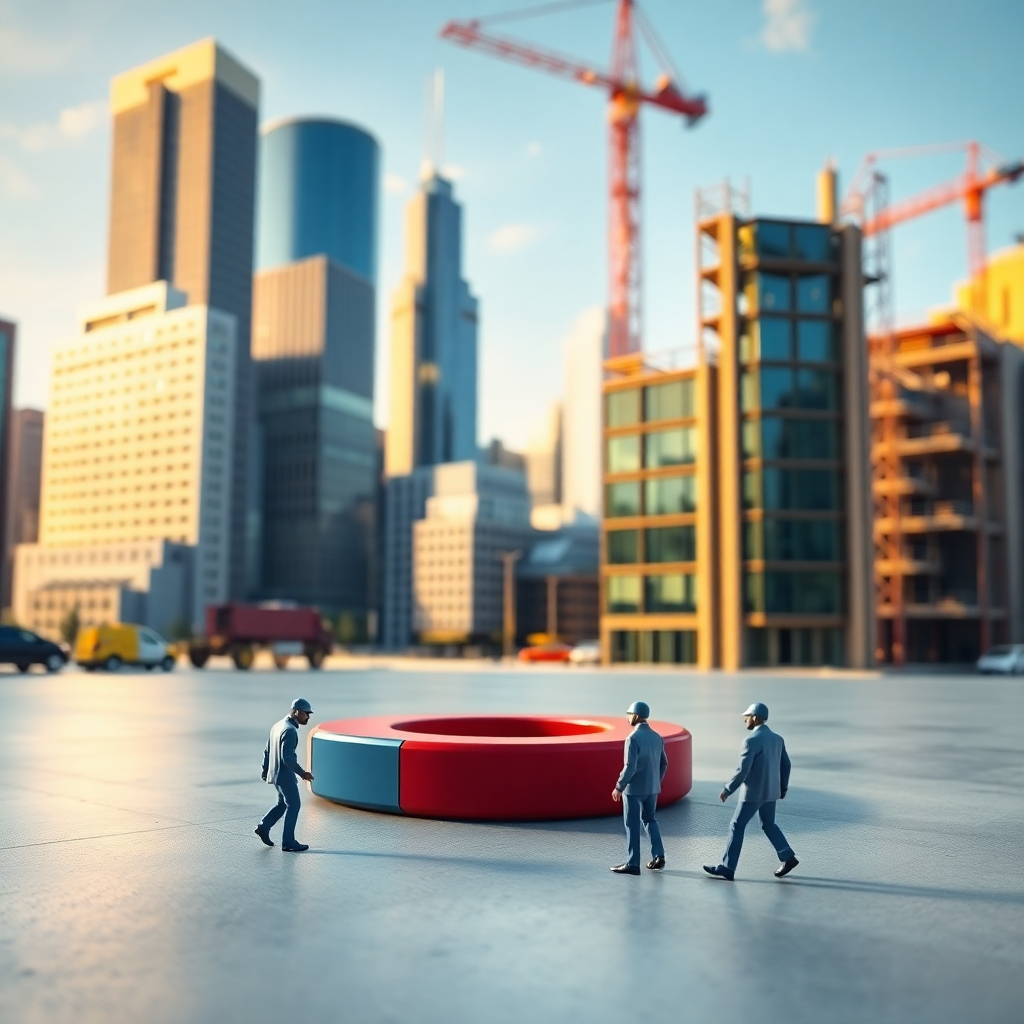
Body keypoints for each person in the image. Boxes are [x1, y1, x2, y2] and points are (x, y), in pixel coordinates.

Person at [704, 702, 798, 881]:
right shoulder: (778, 739)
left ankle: (727, 867)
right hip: (771, 792)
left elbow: (743, 770)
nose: (745, 720)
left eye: (746, 717)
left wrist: (728, 789)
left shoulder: (751, 740)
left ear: (755, 717)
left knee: (736, 826)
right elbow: (786, 764)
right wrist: (783, 787)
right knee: (769, 825)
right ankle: (787, 855)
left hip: (753, 794)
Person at [610, 700, 668, 875]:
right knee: (650, 819)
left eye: (629, 714)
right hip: (652, 788)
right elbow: (664, 763)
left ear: (635, 716)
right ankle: (659, 855)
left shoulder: (633, 738)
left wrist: (619, 786)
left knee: (632, 824)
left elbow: (630, 767)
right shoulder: (657, 737)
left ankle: (633, 862)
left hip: (634, 790)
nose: (628, 717)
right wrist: (656, 781)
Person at [255, 698, 315, 853]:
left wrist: (265, 769)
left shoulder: (278, 725)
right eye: (305, 713)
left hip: (275, 774)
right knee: (294, 805)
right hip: (285, 775)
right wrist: (303, 773)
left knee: (282, 804)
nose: (307, 717)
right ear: (296, 711)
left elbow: (267, 750)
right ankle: (288, 842)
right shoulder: (290, 730)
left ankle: (264, 826)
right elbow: (287, 758)